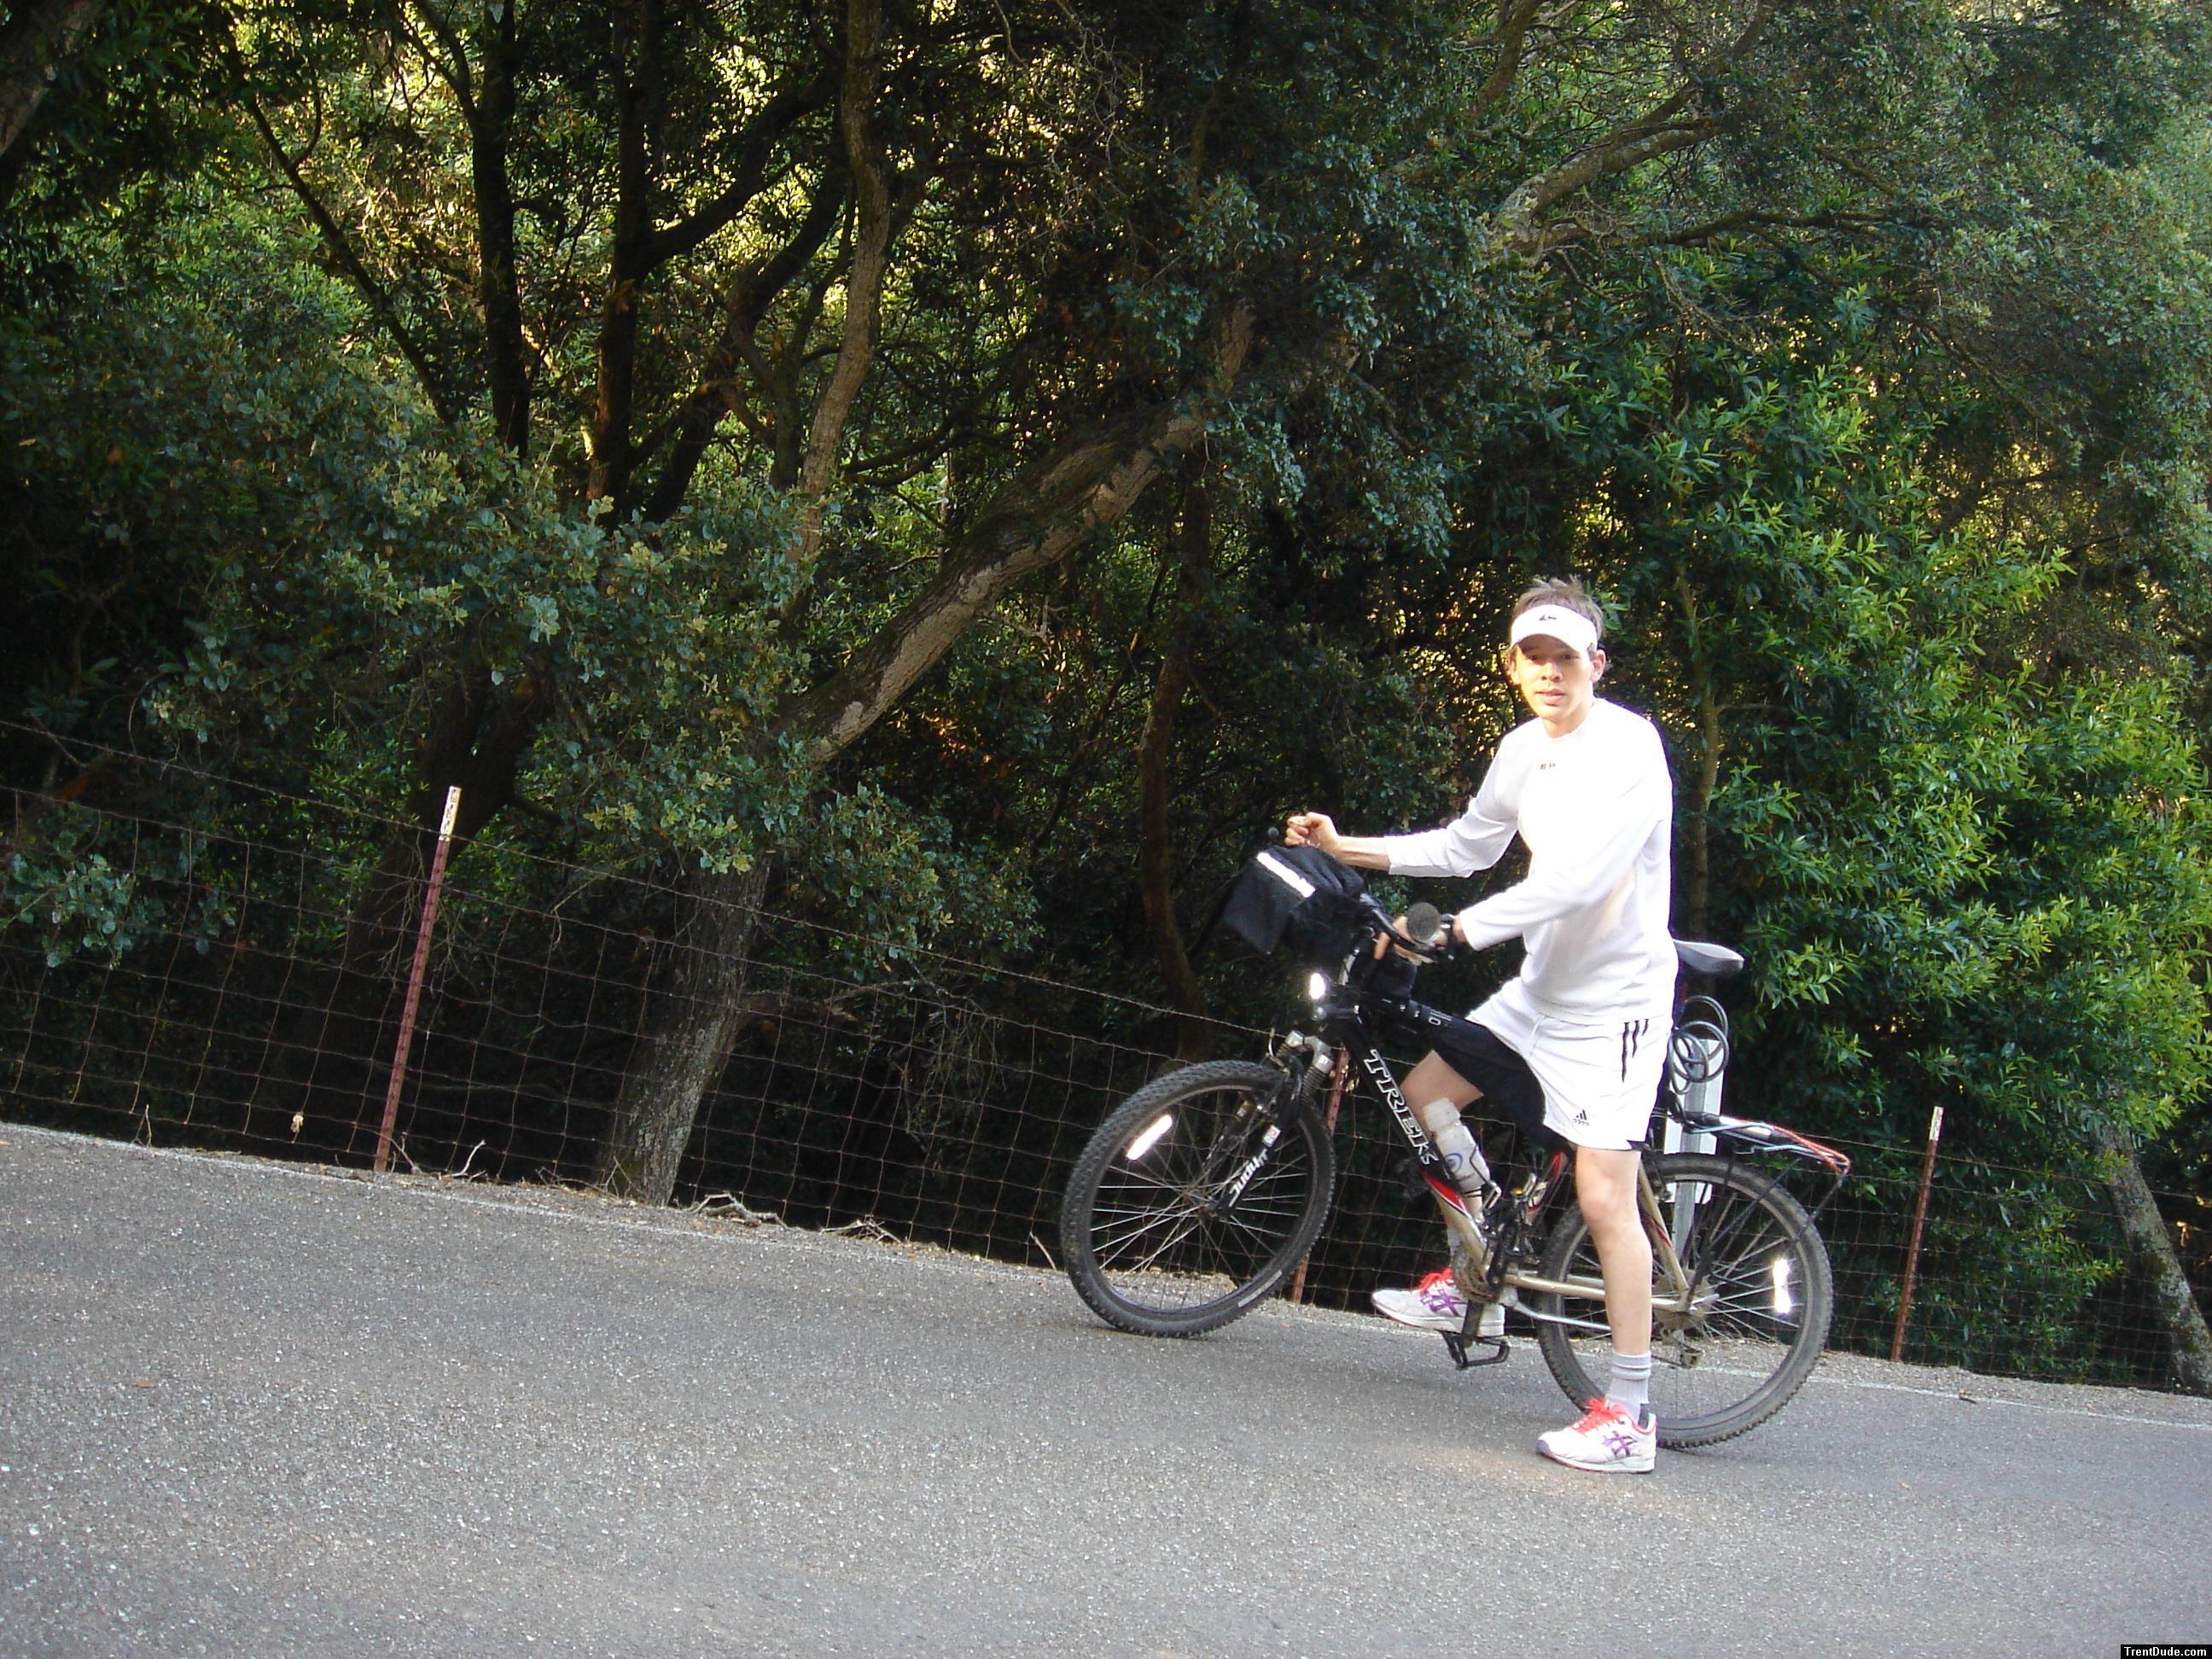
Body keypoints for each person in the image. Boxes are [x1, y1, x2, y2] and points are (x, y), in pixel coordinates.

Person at [1284, 575, 1676, 1474]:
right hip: (1543, 990)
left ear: (1597, 664)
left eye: (1565, 657)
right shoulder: (1522, 750)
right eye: (1534, 657)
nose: (1550, 672)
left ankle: (1630, 1415)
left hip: (1618, 1005)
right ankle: (1479, 1283)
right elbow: (1468, 844)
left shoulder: (1631, 750)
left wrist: (1461, 931)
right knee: (1427, 1093)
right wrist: (1346, 846)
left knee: (1603, 1198)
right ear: (1511, 666)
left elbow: (1580, 880)